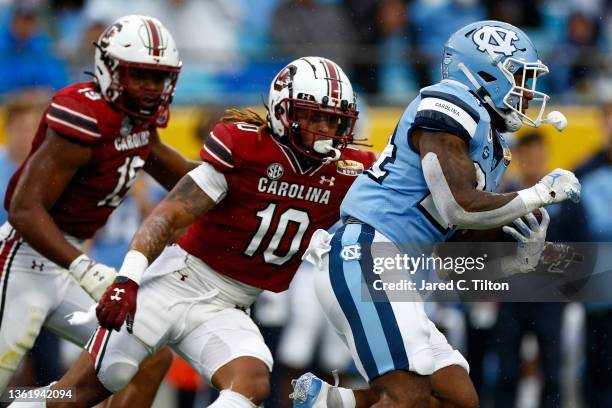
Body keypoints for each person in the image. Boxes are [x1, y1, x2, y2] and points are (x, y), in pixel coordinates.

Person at [43, 56, 376, 408]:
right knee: (78, 392)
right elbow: (168, 214)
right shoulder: (244, 145)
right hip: (176, 280)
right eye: (314, 116)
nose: (325, 129)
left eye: (334, 119)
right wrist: (127, 280)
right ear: (283, 111)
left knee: (252, 382)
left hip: (232, 304)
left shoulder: (349, 171)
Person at [289, 20, 581, 408]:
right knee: (405, 398)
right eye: (521, 77)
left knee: (457, 399)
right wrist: (540, 193)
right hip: (367, 254)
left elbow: (451, 244)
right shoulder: (449, 102)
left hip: (398, 268)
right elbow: (458, 205)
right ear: (486, 70)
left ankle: (329, 402)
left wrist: (516, 256)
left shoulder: (489, 141)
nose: (528, 92)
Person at [1, 14, 197, 405]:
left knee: (146, 357)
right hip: (26, 261)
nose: (150, 89)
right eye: (139, 75)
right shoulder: (84, 118)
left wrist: (242, 176)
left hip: (67, 268)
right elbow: (22, 209)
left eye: (158, 78)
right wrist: (82, 266)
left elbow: (190, 182)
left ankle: (27, 402)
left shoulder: (136, 122)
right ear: (111, 70)